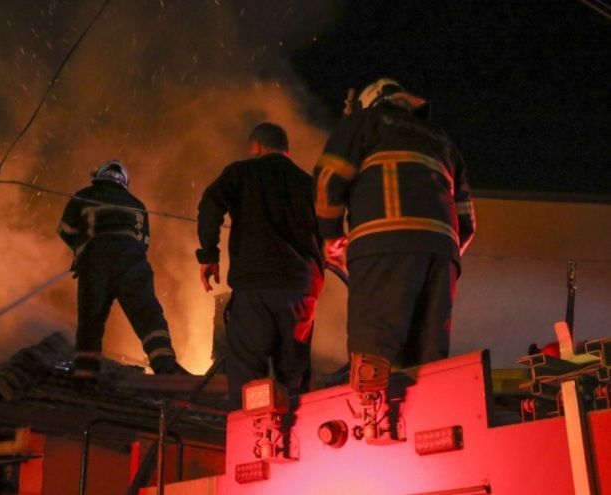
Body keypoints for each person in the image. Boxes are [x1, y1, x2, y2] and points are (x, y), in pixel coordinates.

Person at [314, 78, 476, 370]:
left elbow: (328, 178)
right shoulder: (441, 140)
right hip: (442, 258)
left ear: (371, 103)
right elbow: (467, 222)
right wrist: (438, 253)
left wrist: (331, 235)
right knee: (429, 362)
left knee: (375, 355)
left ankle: (376, 401)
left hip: (383, 249)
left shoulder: (366, 122)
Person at [196, 122, 325, 410]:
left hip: (255, 288)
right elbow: (329, 230)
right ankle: (298, 430)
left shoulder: (242, 172)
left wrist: (209, 255)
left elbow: (209, 205)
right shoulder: (308, 184)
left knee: (247, 378)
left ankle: (250, 432)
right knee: (294, 380)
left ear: (256, 146)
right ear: (286, 150)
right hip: (301, 293)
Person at [59, 159, 186, 379]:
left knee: (91, 321)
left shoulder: (84, 195)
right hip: (132, 263)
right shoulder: (137, 204)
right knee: (148, 315)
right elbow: (143, 242)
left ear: (99, 176)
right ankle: (165, 367)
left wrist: (82, 251)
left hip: (94, 265)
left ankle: (85, 373)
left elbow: (66, 230)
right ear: (124, 182)